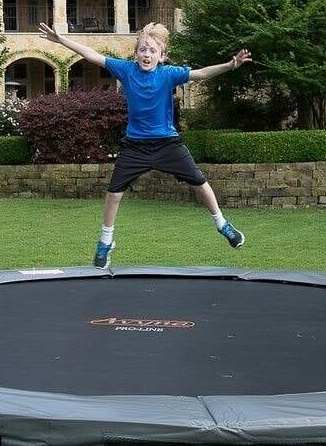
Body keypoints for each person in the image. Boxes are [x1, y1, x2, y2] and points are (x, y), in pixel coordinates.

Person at [38, 21, 252, 268]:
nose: (146, 54)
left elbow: (201, 73)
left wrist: (230, 65)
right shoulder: (127, 70)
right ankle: (105, 242)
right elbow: (93, 55)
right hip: (135, 146)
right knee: (113, 194)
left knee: (200, 184)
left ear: (161, 56)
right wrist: (60, 39)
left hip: (167, 144)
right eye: (142, 49)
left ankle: (222, 224)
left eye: (152, 50)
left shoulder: (168, 74)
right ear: (135, 53)